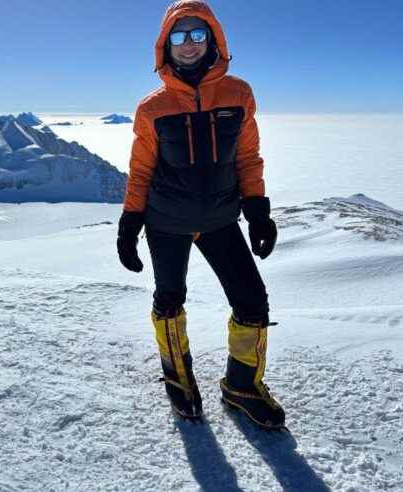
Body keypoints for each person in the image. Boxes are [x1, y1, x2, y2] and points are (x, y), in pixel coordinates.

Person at [116, 0, 284, 428]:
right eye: (178, 35)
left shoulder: (238, 94)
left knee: (252, 302)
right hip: (166, 221)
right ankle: (179, 379)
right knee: (169, 301)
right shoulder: (151, 108)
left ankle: (241, 386)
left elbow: (248, 157)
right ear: (164, 44)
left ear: (213, 38)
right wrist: (130, 221)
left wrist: (258, 211)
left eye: (197, 34)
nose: (188, 44)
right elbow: (141, 169)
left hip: (221, 219)